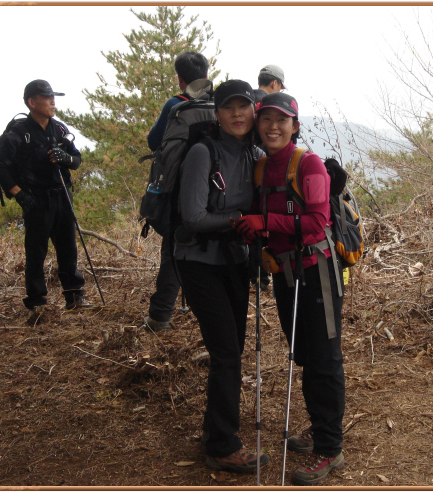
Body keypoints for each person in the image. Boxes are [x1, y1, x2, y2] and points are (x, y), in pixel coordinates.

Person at [233, 92, 346, 485]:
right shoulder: (262, 168)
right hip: (285, 273)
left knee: (324, 358)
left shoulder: (309, 164)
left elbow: (317, 223)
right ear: (257, 125)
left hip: (317, 272)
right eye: (266, 120)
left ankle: (330, 448)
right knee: (304, 354)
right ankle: (321, 426)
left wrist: (264, 223)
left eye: (282, 120)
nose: (273, 127)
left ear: (295, 126)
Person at [174, 79, 268, 472]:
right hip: (198, 261)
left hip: (233, 260)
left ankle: (218, 426)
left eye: (243, 107)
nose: (236, 114)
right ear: (216, 113)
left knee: (232, 350)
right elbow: (193, 215)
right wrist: (238, 220)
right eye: (228, 107)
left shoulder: (256, 154)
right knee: (226, 352)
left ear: (253, 112)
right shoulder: (202, 152)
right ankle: (221, 444)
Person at [0, 80, 92, 323]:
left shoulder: (58, 128)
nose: (52, 102)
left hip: (62, 196)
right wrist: (19, 194)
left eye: (53, 97)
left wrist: (65, 157)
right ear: (32, 102)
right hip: (35, 200)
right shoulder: (18, 133)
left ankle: (74, 296)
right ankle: (37, 303)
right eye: (47, 98)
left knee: (68, 247)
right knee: (36, 252)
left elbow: (77, 160)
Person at [144, 51, 213, 331]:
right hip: (216, 189)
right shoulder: (221, 104)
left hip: (179, 191)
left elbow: (153, 141)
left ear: (180, 78)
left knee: (173, 251)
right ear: (206, 74)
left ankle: (160, 316)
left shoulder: (176, 105)